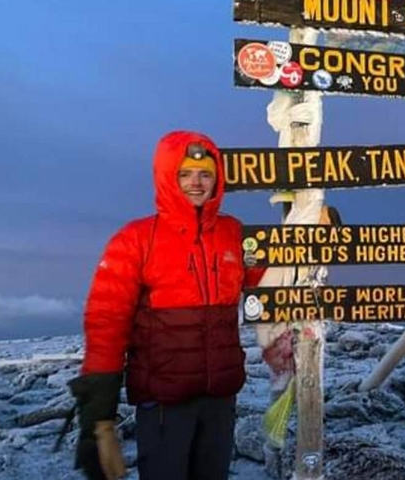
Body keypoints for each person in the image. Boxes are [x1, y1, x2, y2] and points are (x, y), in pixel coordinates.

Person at [67, 130, 268, 480]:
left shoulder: (234, 233)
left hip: (220, 400)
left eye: (205, 174)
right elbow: (106, 325)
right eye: (185, 173)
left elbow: (271, 284)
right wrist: (98, 420)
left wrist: (310, 235)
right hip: (164, 406)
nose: (196, 182)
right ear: (167, 176)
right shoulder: (135, 239)